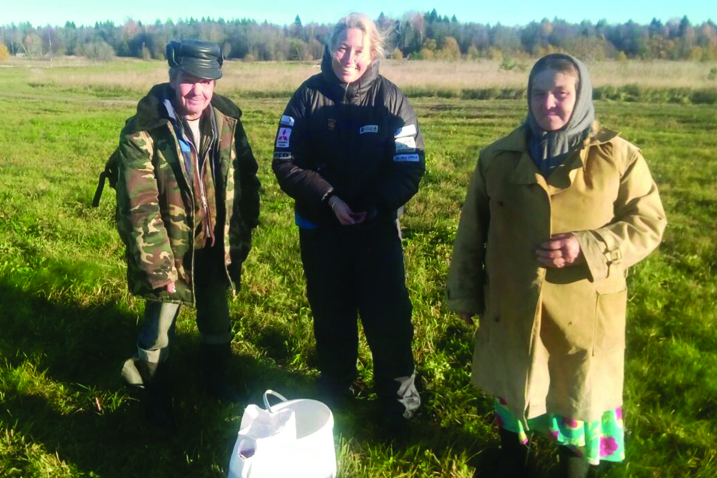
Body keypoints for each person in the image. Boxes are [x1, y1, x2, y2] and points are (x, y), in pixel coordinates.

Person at [447, 53, 666, 477]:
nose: (548, 103)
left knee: (576, 393)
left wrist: (589, 246)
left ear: (580, 95)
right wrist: (464, 292)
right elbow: (471, 231)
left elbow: (648, 223)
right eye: (539, 94)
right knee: (514, 384)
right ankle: (513, 458)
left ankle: (574, 466)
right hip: (512, 304)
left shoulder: (618, 157)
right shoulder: (497, 158)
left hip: (586, 313)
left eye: (561, 93)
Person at [272, 13, 424, 432]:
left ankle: (399, 408)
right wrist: (329, 198)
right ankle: (334, 396)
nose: (349, 58)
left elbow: (409, 167)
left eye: (359, 50)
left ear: (373, 52)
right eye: (342, 47)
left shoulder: (393, 101)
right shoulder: (305, 97)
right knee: (331, 314)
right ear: (329, 47)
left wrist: (375, 205)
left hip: (376, 230)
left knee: (389, 318)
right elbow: (285, 162)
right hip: (323, 230)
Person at [115, 40, 261, 427]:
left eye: (207, 81)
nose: (198, 91)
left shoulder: (227, 120)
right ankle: (154, 393)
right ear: (171, 77)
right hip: (170, 249)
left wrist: (242, 234)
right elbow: (139, 207)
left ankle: (217, 379)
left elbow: (247, 176)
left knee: (217, 318)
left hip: (214, 245)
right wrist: (160, 269)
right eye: (188, 81)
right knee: (158, 329)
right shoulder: (143, 129)